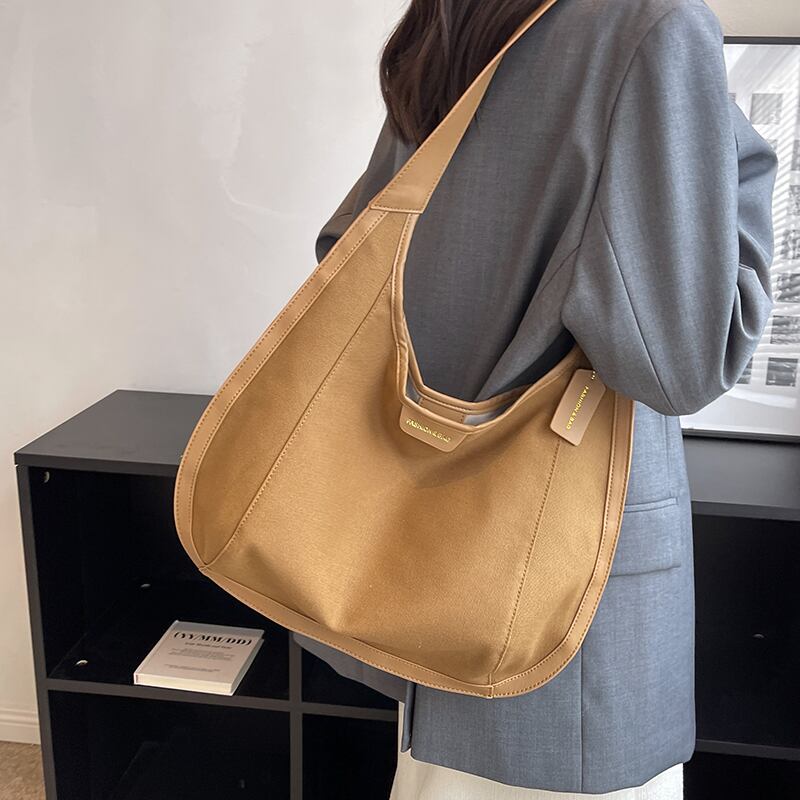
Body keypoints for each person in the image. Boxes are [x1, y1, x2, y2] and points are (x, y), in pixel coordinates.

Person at [295, 0, 779, 796]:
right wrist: (731, 151)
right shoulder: (654, 25)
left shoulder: (465, 15)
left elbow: (349, 258)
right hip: (566, 613)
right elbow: (684, 365)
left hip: (427, 551)